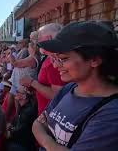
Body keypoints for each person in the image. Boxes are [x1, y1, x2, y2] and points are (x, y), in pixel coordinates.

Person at [32, 21, 118, 150]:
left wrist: (45, 139)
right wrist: (51, 145)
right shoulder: (69, 88)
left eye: (64, 59)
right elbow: (37, 124)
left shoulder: (111, 112)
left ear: (94, 60)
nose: (55, 65)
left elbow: (41, 126)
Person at [20, 23, 65, 115]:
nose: (36, 42)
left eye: (39, 37)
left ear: (48, 38)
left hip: (49, 115)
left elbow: (56, 95)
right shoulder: (50, 58)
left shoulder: (54, 63)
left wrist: (32, 82)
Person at [6, 86, 37, 151]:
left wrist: (9, 132)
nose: (15, 93)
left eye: (17, 92)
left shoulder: (28, 112)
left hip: (24, 146)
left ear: (24, 96)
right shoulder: (24, 107)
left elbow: (19, 131)